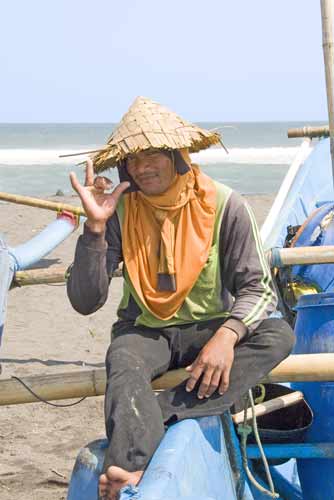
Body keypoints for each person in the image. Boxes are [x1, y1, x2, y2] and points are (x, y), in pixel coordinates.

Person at [67, 96, 294, 500]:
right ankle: (130, 466)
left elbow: (259, 289)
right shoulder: (120, 211)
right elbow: (86, 300)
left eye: (153, 154)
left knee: (278, 335)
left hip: (210, 328)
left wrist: (226, 337)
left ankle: (154, 416)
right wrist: (95, 230)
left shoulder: (225, 205)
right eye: (132, 160)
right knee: (124, 358)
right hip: (146, 331)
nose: (142, 167)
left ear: (178, 155)